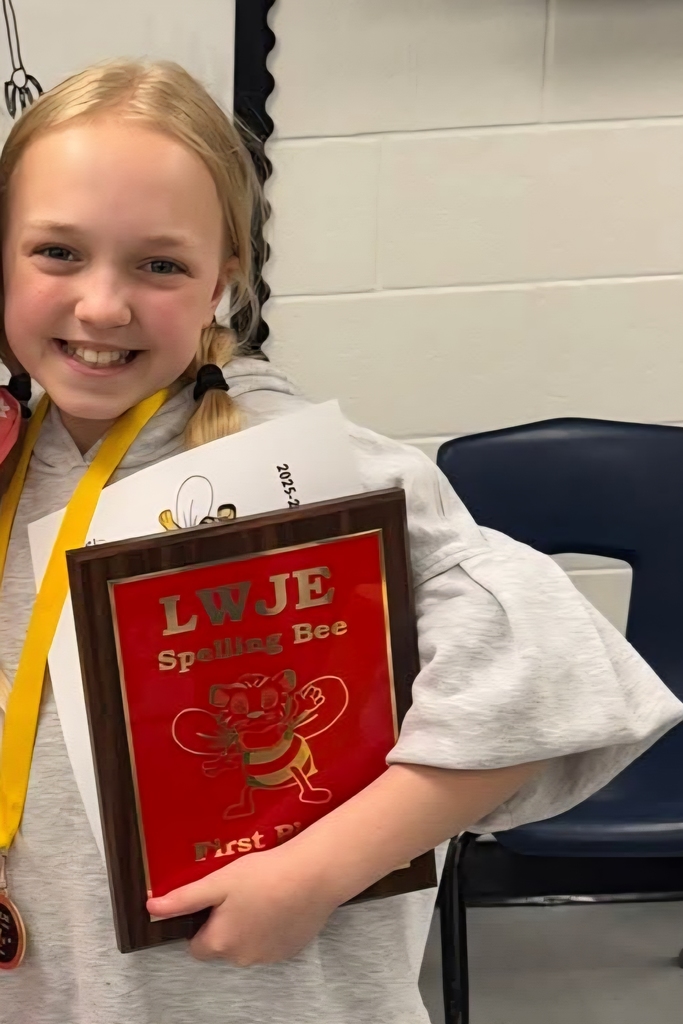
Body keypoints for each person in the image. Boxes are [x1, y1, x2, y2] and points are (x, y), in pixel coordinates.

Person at [0, 60, 680, 1024]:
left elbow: (554, 672)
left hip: (260, 994)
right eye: (57, 252)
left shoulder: (292, 466)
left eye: (160, 264)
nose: (102, 305)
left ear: (223, 278)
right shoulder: (10, 465)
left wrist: (319, 871)